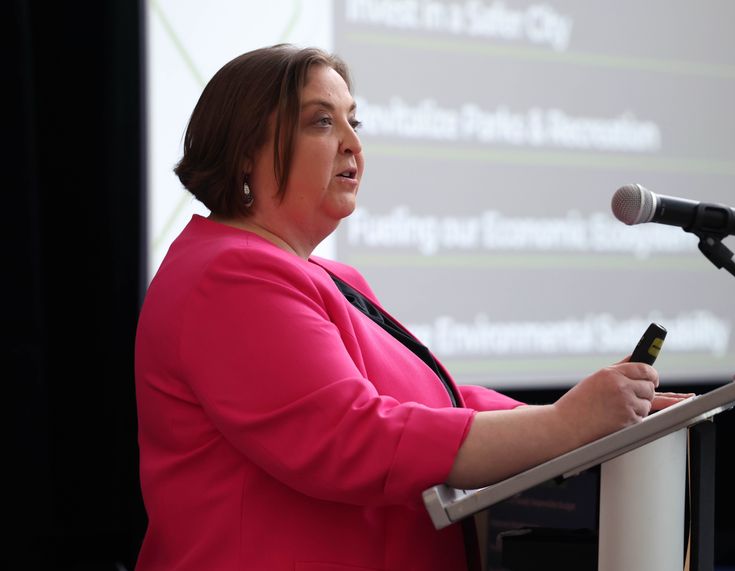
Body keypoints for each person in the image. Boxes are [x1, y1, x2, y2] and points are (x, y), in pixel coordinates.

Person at [134, 44, 689, 571]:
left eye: (356, 121)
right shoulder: (229, 278)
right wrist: (564, 424)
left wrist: (593, 415)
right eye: (321, 121)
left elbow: (434, 402)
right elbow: (353, 439)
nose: (353, 143)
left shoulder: (326, 275)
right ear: (244, 154)